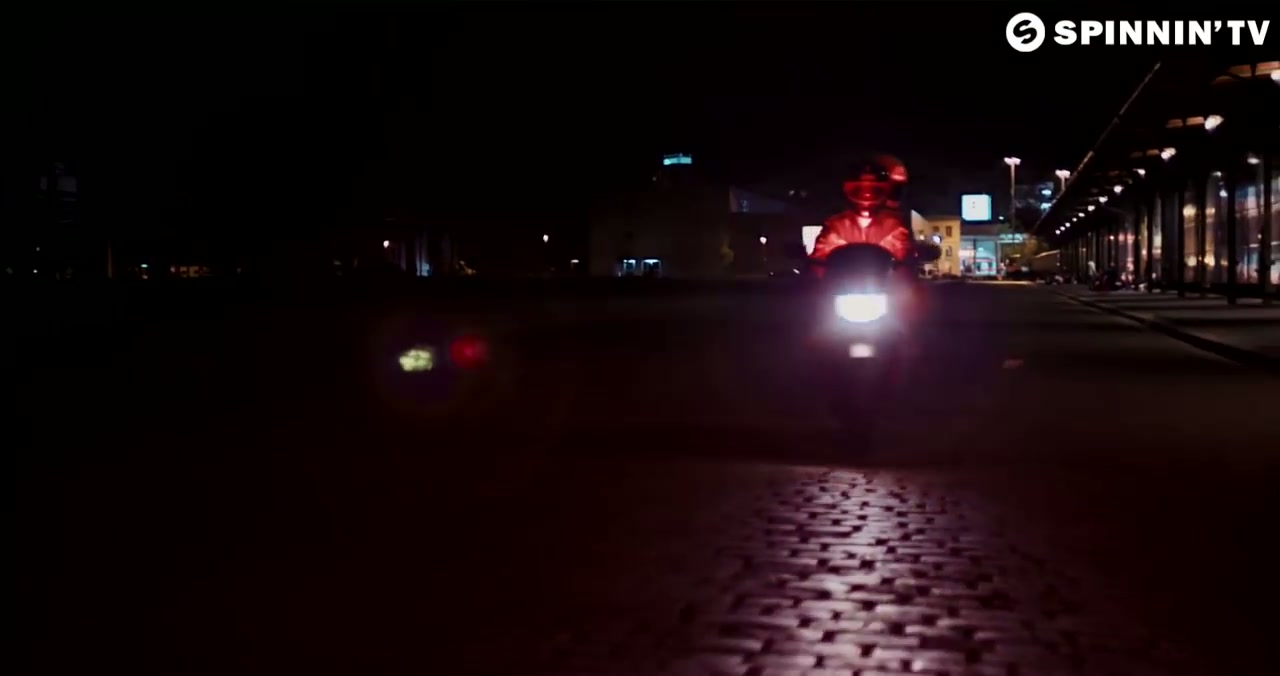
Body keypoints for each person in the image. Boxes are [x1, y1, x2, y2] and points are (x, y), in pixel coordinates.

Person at [810, 155, 914, 267]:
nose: (867, 195)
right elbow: (819, 260)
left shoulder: (895, 226)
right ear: (847, 189)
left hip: (884, 277)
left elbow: (905, 260)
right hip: (843, 276)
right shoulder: (836, 225)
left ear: (886, 190)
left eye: (874, 190)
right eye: (860, 190)